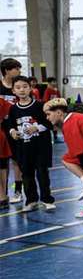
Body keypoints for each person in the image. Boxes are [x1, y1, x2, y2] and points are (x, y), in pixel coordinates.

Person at [2, 76, 55, 212]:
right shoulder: (13, 109)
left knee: (42, 174)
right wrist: (13, 131)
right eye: (18, 88)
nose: (22, 90)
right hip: (23, 148)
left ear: (31, 88)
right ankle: (31, 200)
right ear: (13, 91)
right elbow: (10, 125)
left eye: (25, 87)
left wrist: (36, 127)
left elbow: (49, 123)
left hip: (40, 148)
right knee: (26, 175)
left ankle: (46, 199)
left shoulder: (40, 105)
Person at [0, 58, 23, 204]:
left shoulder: (19, 86)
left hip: (15, 127)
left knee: (16, 160)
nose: (19, 71)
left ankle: (18, 191)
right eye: (16, 68)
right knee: (3, 163)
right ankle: (3, 193)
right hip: (1, 130)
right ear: (7, 70)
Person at [0, 97, 12, 209]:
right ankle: (3, 196)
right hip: (1, 134)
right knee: (2, 166)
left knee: (2, 165)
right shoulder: (2, 101)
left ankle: (2, 197)